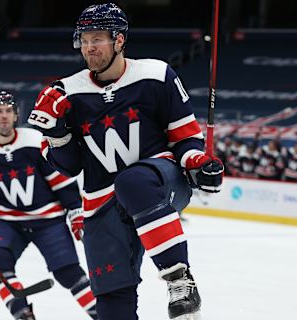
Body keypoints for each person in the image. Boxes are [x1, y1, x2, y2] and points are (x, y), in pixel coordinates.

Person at [27, 3, 224, 320]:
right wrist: (56, 133)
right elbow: (69, 166)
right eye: (84, 40)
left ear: (120, 40)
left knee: (132, 181)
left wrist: (198, 164)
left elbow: (185, 137)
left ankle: (179, 280)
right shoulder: (66, 91)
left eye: (98, 39)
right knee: (111, 304)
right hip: (101, 204)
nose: (89, 48)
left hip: (158, 182)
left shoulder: (156, 75)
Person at [0, 91, 97, 320]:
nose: (3, 116)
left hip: (49, 221)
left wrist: (76, 212)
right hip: (9, 223)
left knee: (68, 273)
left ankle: (102, 314)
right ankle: (23, 314)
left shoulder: (35, 141)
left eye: (8, 111)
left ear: (16, 115)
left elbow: (61, 181)